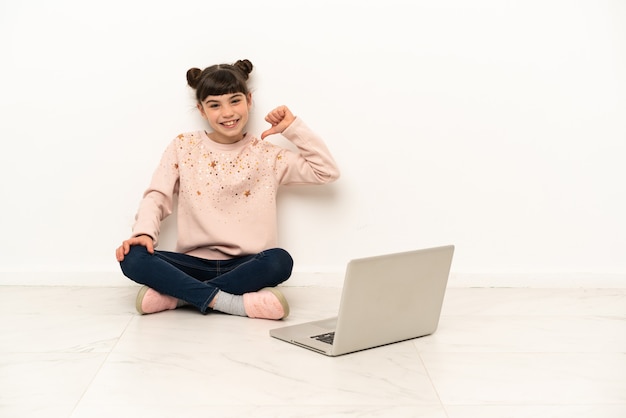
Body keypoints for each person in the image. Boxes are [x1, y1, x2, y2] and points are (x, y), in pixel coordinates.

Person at [115, 58, 340, 320]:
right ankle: (232, 303)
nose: (227, 113)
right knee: (133, 257)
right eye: (214, 105)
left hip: (248, 265)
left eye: (235, 101)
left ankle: (178, 297)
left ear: (249, 100)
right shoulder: (183, 146)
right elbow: (157, 195)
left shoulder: (268, 155)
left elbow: (326, 171)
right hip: (193, 265)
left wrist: (292, 128)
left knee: (280, 261)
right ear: (201, 110)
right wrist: (143, 233)